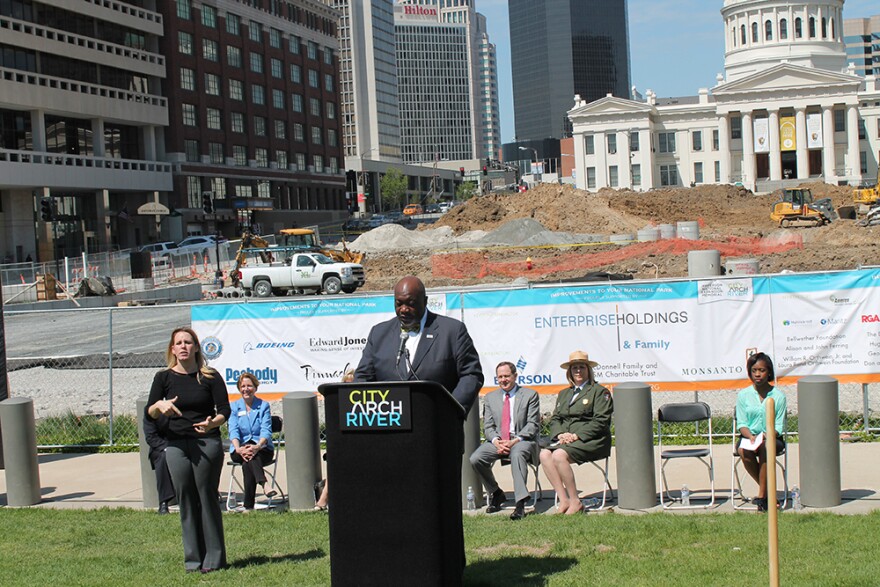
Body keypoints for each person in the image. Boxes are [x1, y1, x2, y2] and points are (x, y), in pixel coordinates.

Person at [145, 327, 230, 574]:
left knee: (207, 497)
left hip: (206, 443)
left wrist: (214, 422)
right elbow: (149, 413)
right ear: (172, 349)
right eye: (178, 343)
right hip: (175, 445)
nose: (183, 346)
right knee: (186, 500)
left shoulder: (210, 376)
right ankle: (193, 561)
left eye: (188, 342)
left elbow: (225, 409)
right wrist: (159, 405)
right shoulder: (163, 378)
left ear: (196, 347)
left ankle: (214, 560)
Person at [354, 275, 483, 414]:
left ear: (425, 301)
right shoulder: (379, 333)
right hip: (389, 425)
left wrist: (453, 410)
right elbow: (362, 378)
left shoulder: (452, 331)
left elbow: (471, 375)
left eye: (410, 303)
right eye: (399, 304)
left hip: (438, 425)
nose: (404, 309)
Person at [540, 350, 613, 515]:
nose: (578, 371)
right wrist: (560, 435)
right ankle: (563, 499)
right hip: (566, 440)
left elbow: (601, 421)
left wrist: (575, 435)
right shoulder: (564, 393)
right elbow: (556, 418)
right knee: (544, 455)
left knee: (558, 455)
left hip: (592, 440)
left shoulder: (600, 392)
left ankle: (575, 501)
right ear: (569, 372)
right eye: (574, 368)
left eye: (582, 367)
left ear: (589, 370)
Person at [469, 361, 541, 521]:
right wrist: (496, 441)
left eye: (507, 376)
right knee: (475, 458)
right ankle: (496, 493)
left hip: (523, 441)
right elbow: (488, 426)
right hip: (499, 442)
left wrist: (514, 441)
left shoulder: (530, 395)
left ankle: (520, 502)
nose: (503, 380)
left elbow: (532, 425)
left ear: (515, 376)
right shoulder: (490, 398)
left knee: (517, 453)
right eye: (500, 377)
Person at [736, 352, 787, 512]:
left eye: (762, 370)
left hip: (772, 437)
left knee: (766, 447)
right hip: (749, 437)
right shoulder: (743, 395)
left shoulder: (778, 396)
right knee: (743, 450)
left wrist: (765, 435)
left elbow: (779, 426)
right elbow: (742, 423)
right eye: (754, 370)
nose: (757, 374)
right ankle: (769, 495)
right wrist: (750, 436)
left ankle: (761, 496)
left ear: (769, 372)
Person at [228, 372, 275, 512]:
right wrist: (238, 448)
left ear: (255, 388)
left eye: (249, 386)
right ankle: (264, 483)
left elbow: (266, 430)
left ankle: (248, 506)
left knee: (249, 460)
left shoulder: (263, 406)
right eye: (243, 386)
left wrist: (257, 446)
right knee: (248, 456)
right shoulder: (234, 407)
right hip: (239, 449)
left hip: (262, 448)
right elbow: (233, 430)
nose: (246, 389)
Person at [315, 367, 355, 511]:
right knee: (335, 457)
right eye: (347, 386)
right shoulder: (338, 407)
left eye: (353, 385)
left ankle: (323, 499)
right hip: (343, 448)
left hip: (362, 447)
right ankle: (324, 498)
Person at [143, 412, 175, 514]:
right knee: (162, 458)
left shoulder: (183, 405)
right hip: (161, 447)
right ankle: (164, 502)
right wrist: (167, 448)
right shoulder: (152, 411)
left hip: (182, 443)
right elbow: (150, 437)